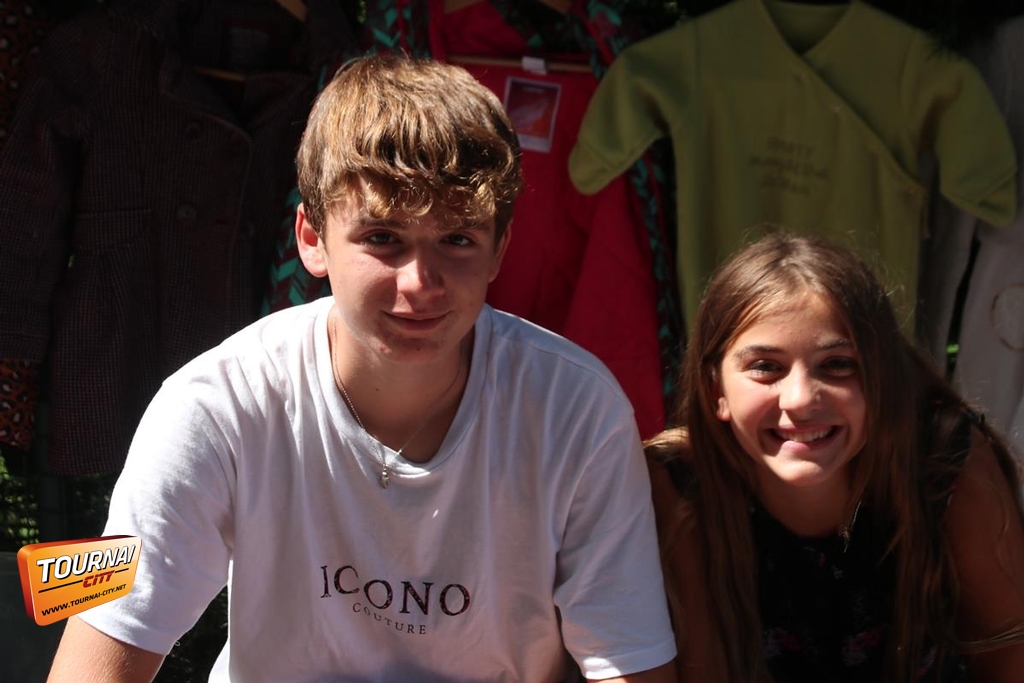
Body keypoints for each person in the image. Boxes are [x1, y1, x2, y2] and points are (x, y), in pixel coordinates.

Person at [46, 54, 677, 683]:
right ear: (312, 238)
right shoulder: (213, 406)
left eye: (457, 239)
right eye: (383, 238)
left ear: (498, 251)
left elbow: (630, 664)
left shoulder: (578, 410)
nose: (420, 283)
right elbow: (98, 654)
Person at [644, 233, 1024, 682]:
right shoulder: (679, 483)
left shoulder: (944, 460)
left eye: (838, 364)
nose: (801, 399)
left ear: (882, 380)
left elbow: (1009, 654)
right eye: (765, 366)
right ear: (716, 393)